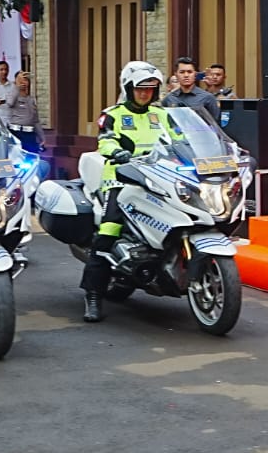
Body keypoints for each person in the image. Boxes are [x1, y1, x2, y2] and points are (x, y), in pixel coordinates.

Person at [81, 61, 172, 322]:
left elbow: (181, 140)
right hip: (121, 180)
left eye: (150, 89)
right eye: (140, 89)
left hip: (159, 179)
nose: (145, 94)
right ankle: (93, 295)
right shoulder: (113, 114)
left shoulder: (163, 115)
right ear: (128, 88)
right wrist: (117, 152)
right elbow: (105, 140)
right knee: (109, 229)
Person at [163, 56, 221, 124]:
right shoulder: (169, 98)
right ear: (176, 74)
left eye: (189, 72)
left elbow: (215, 125)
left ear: (195, 74)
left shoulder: (208, 98)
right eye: (182, 72)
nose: (186, 75)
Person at [3, 69, 41, 154]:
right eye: (20, 79)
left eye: (25, 80)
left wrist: (41, 136)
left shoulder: (31, 99)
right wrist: (17, 87)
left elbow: (35, 120)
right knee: (16, 157)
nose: (23, 82)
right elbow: (10, 103)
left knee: (32, 157)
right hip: (16, 133)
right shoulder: (11, 94)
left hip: (29, 134)